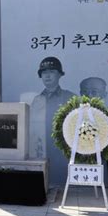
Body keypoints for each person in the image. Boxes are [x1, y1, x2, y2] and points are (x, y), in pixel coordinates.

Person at [30, 56, 75, 185]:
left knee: (62, 180)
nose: (47, 76)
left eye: (51, 72)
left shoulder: (70, 97)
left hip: (62, 149)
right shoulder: (37, 100)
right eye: (44, 73)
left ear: (60, 75)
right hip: (42, 147)